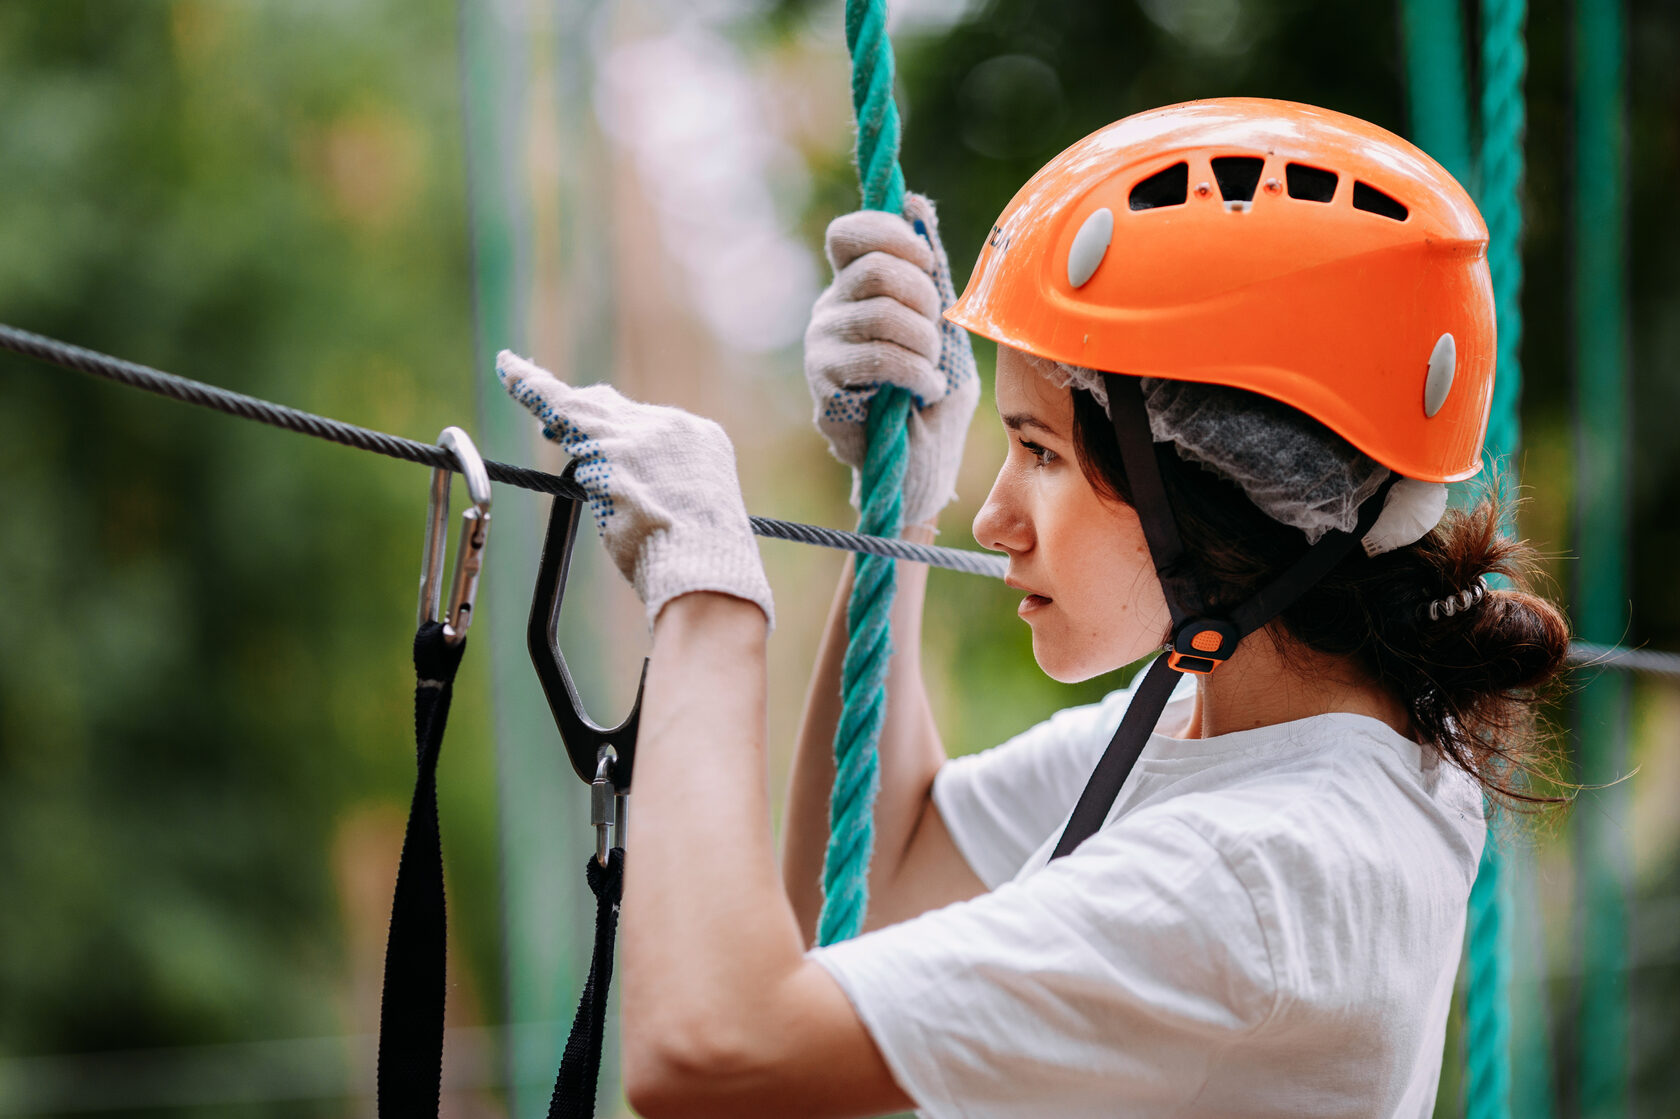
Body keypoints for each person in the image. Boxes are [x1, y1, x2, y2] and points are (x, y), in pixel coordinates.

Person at [497, 98, 1571, 1119]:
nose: (995, 517)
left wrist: (706, 592)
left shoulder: (1256, 869)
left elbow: (715, 1057)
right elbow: (880, 884)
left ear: (1210, 492)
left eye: (1041, 451)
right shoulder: (1250, 729)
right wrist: (900, 516)